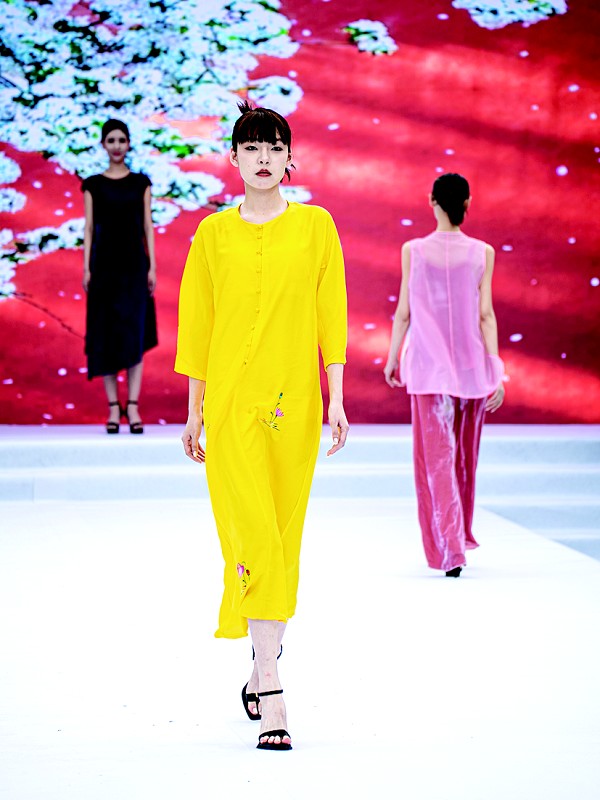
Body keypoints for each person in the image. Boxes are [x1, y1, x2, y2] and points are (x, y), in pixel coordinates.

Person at [176, 101, 348, 750]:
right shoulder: (212, 234)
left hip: (294, 406)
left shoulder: (315, 226)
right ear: (233, 158)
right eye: (252, 148)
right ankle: (273, 686)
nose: (265, 158)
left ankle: (258, 661)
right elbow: (198, 323)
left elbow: (331, 313)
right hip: (229, 406)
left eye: (275, 147)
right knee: (251, 535)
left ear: (290, 156)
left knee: (280, 536)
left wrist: (336, 397)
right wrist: (194, 408)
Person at [384, 173, 504, 577]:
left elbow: (404, 312)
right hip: (471, 369)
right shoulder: (482, 252)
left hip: (427, 368)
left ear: (431, 200)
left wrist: (393, 356)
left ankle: (450, 548)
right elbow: (485, 315)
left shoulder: (414, 251)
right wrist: (496, 368)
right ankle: (457, 540)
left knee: (435, 460)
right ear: (467, 203)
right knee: (463, 460)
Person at [82, 118, 158, 434]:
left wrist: (152, 266)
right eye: (111, 140)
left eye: (121, 140)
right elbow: (88, 228)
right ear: (103, 144)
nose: (116, 146)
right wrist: (86, 268)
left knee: (134, 334)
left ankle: (134, 406)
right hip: (103, 269)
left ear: (128, 143)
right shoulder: (93, 184)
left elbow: (147, 226)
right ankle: (114, 407)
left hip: (134, 268)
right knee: (106, 335)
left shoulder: (141, 183)